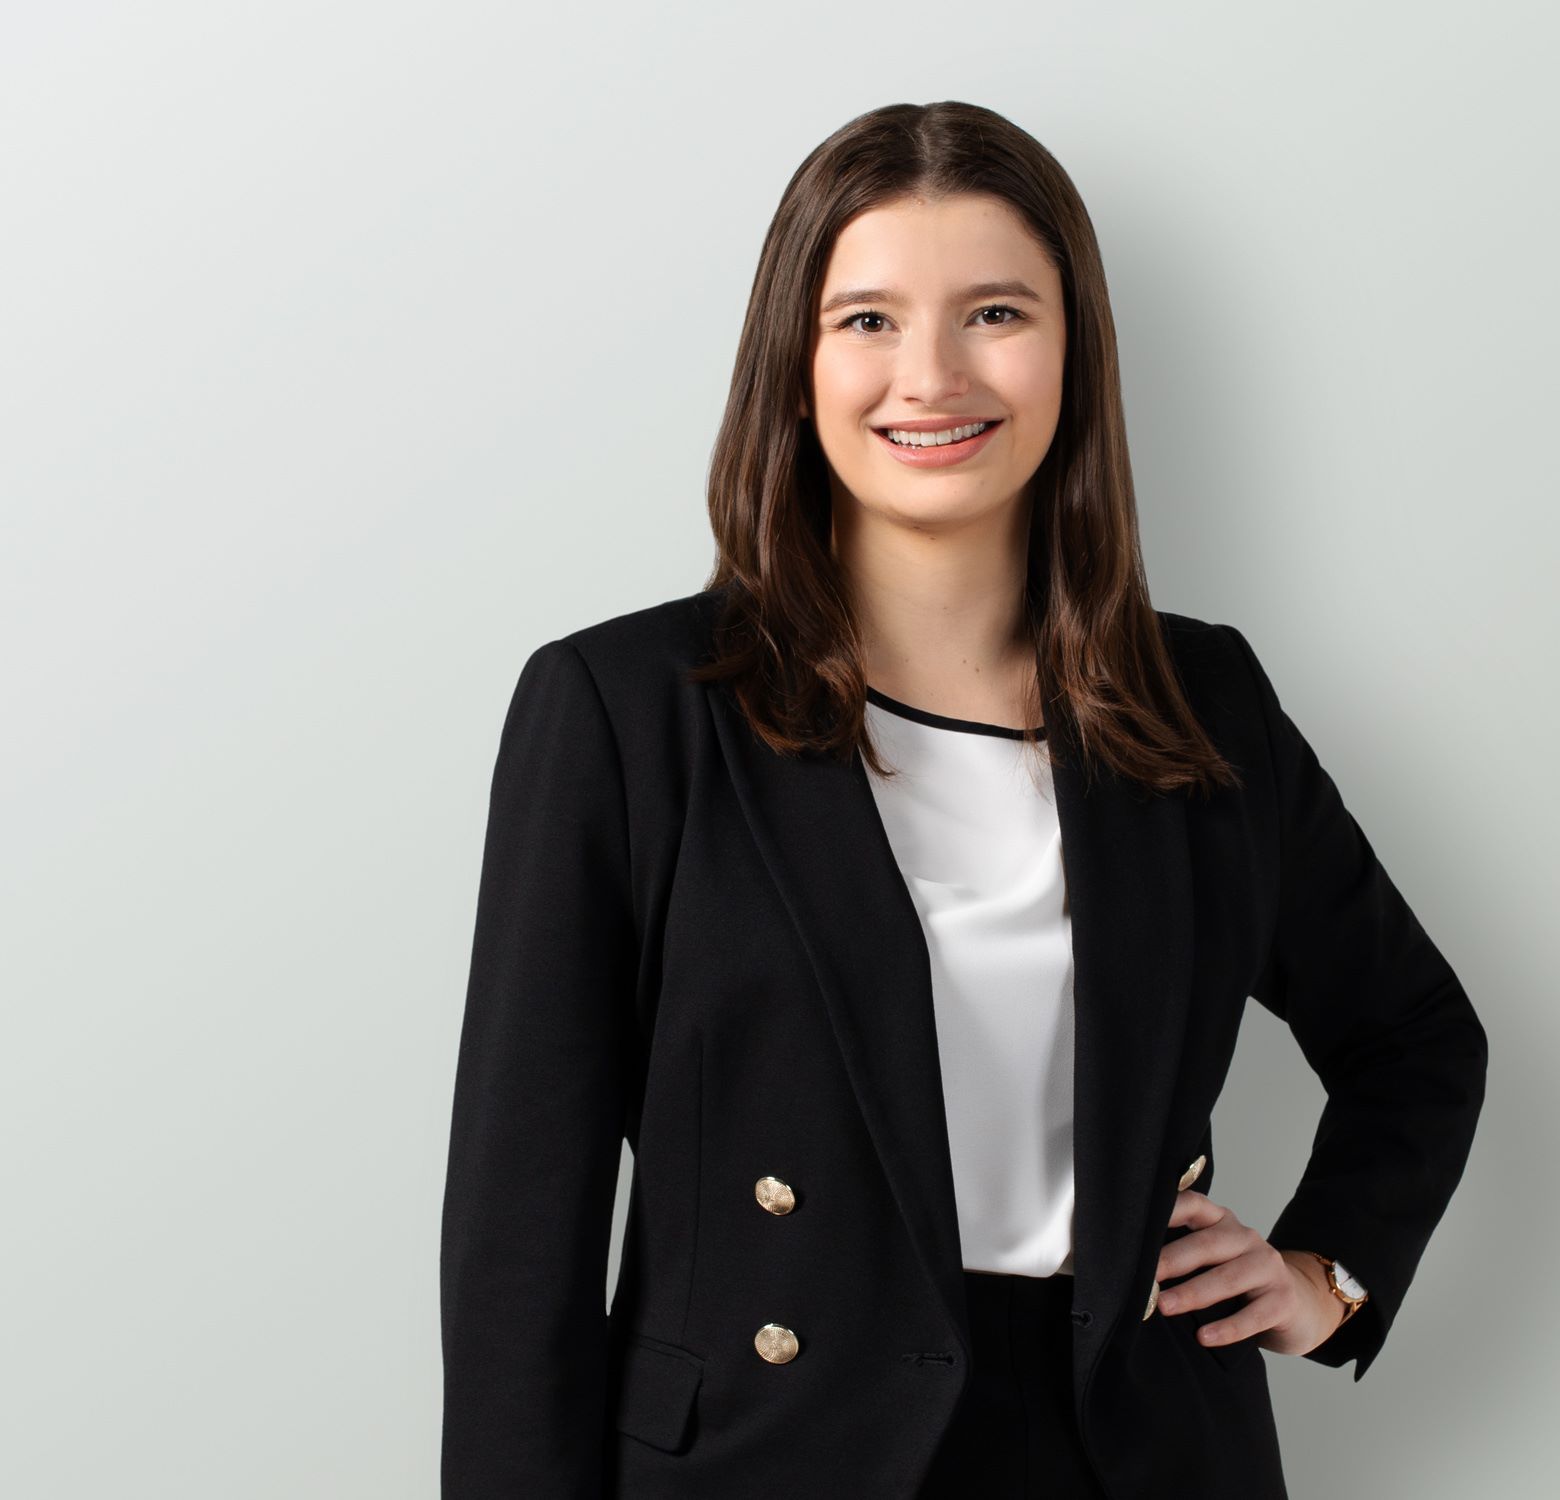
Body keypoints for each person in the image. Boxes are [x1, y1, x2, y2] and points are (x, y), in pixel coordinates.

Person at [439, 100, 1488, 1499]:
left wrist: (1326, 1274)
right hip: (770, 1456)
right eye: (867, 320)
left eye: (995, 313)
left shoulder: (1200, 698)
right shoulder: (627, 710)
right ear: (795, 365)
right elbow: (522, 1228)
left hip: (1140, 1452)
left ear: (1074, 352)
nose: (929, 375)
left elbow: (1416, 1033)